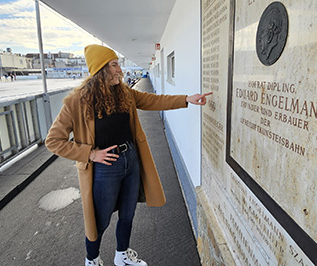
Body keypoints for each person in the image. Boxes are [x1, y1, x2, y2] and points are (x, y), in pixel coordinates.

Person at [45, 44, 211, 266]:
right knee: (99, 220)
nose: (120, 70)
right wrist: (91, 154)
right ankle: (92, 260)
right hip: (103, 167)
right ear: (101, 69)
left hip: (131, 160)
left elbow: (153, 101)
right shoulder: (77, 102)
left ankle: (122, 255)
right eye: (114, 65)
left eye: (118, 65)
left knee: (128, 212)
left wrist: (186, 99)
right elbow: (53, 141)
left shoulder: (125, 93)